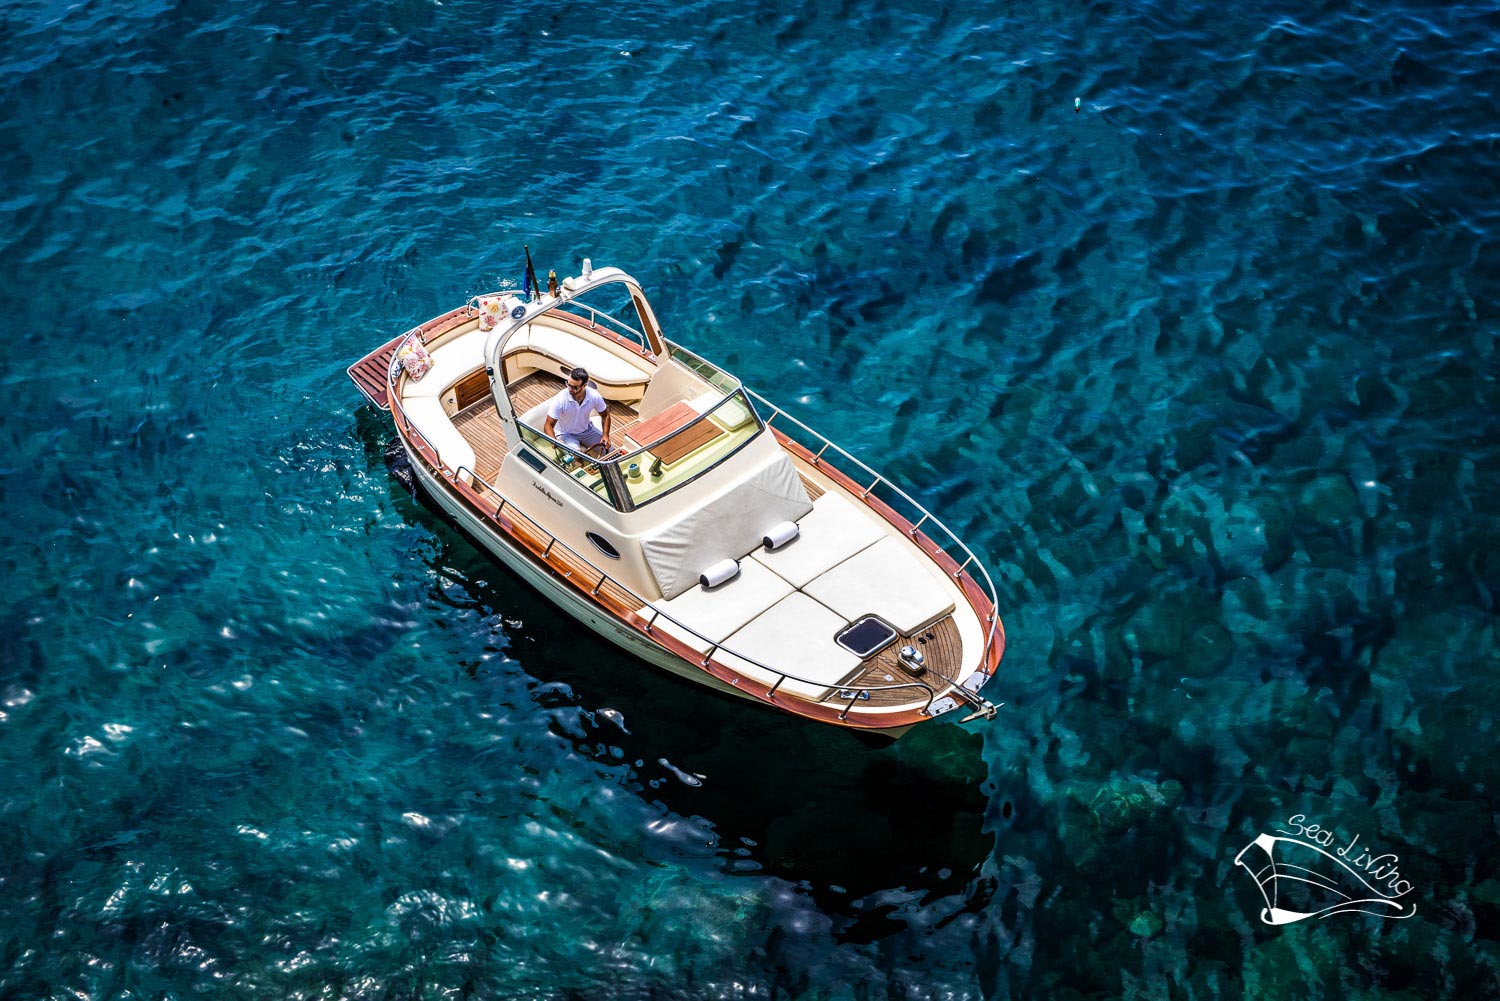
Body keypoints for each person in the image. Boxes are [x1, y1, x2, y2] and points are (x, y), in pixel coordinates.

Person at [544, 367, 612, 457]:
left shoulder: (594, 396)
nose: (570, 389)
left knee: (610, 450)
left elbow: (605, 415)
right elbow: (548, 425)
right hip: (566, 434)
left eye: (574, 387)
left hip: (587, 431)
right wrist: (554, 441)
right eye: (568, 384)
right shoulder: (560, 399)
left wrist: (605, 435)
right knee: (576, 457)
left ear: (584, 386)